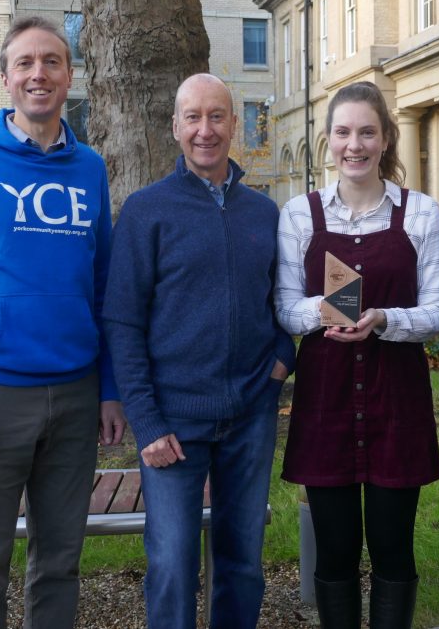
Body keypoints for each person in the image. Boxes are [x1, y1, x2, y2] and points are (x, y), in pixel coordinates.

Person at [0, 15, 127, 629]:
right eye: (26, 63)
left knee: (59, 565)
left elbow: (103, 288)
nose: (39, 73)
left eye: (52, 62)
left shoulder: (89, 168)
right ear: (6, 78)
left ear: (69, 76)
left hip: (74, 397)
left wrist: (109, 389)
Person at [102, 73, 296, 629]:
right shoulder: (147, 211)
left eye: (217, 116)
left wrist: (280, 367)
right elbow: (122, 320)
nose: (205, 130)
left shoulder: (264, 213)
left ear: (235, 124)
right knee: (171, 563)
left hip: (250, 418)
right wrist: (146, 421)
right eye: (193, 117)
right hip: (173, 426)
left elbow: (284, 303)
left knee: (242, 563)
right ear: (175, 127)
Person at [276, 81, 439, 628]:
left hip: (396, 403)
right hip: (326, 403)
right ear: (328, 140)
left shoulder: (420, 214)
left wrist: (382, 320)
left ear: (386, 138)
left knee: (395, 548)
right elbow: (284, 308)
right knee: (335, 552)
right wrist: (331, 311)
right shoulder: (298, 216)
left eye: (367, 132)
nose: (355, 144)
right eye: (344, 132)